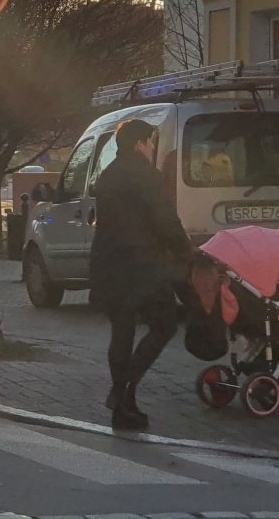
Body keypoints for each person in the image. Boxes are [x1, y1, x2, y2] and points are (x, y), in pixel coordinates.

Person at [90, 118, 194, 431]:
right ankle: (123, 392)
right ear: (139, 144)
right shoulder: (147, 175)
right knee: (164, 325)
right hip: (143, 266)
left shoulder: (108, 175)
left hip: (110, 265)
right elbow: (164, 219)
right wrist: (185, 252)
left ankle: (123, 403)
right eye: (149, 142)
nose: (151, 148)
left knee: (121, 331)